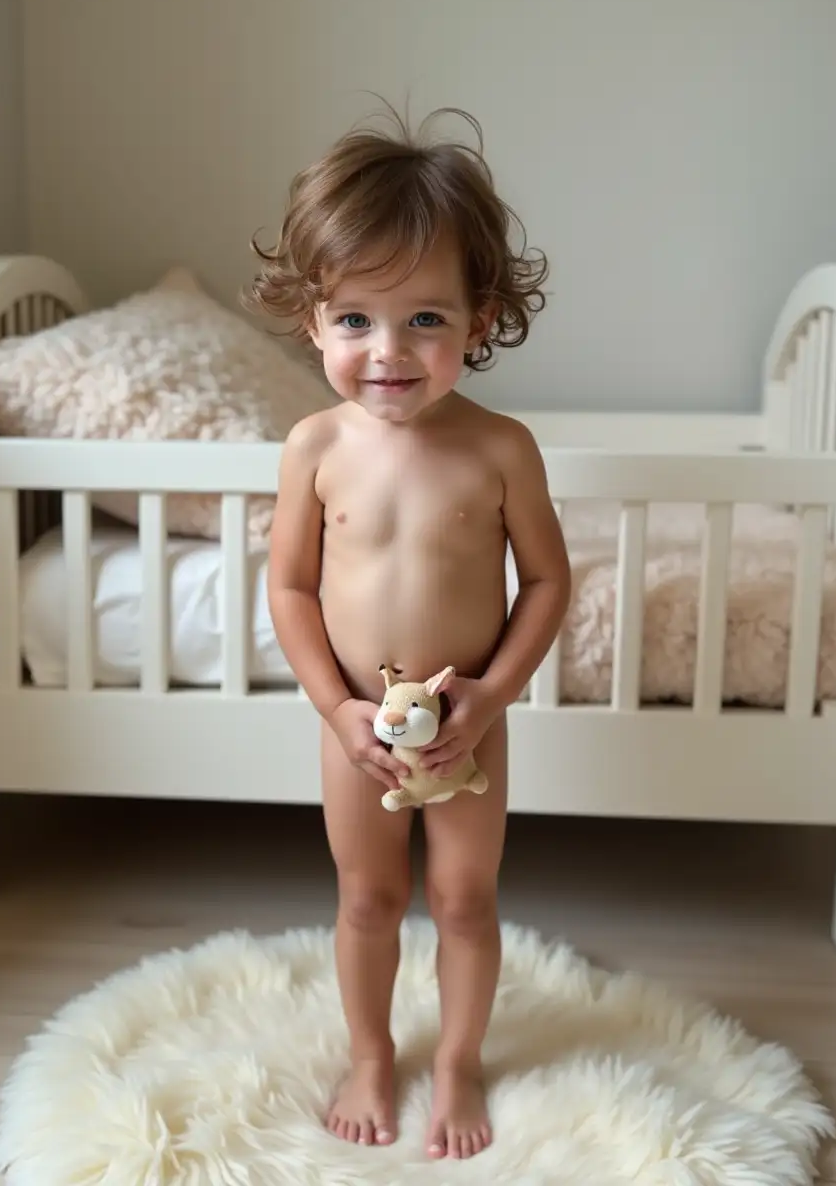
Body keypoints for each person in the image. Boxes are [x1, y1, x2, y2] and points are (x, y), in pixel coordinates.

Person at [249, 105, 571, 1161]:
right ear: (312, 320)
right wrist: (333, 707)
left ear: (479, 320)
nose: (387, 352)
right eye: (356, 321)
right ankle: (371, 1050)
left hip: (467, 728)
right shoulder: (311, 446)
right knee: (369, 893)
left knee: (465, 896)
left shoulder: (500, 449)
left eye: (424, 320)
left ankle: (460, 1056)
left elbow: (547, 582)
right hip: (357, 728)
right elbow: (291, 588)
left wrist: (488, 698)